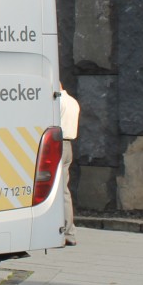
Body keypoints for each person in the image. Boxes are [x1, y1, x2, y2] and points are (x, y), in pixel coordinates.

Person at [59, 84, 80, 246]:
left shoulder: (57, 101)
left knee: (58, 190)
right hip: (68, 145)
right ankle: (68, 230)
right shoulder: (73, 101)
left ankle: (67, 231)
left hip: (56, 145)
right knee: (64, 189)